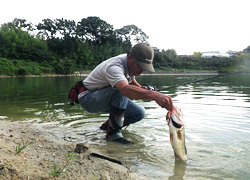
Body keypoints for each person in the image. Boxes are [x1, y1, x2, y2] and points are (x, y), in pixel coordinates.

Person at [78, 43, 173, 144]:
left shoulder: (129, 63)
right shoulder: (115, 66)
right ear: (130, 57)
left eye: (144, 68)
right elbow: (125, 89)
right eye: (140, 66)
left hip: (104, 97)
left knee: (139, 113)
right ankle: (114, 135)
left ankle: (107, 127)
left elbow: (130, 80)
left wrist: (141, 88)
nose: (141, 71)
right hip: (88, 99)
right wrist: (155, 95)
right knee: (122, 89)